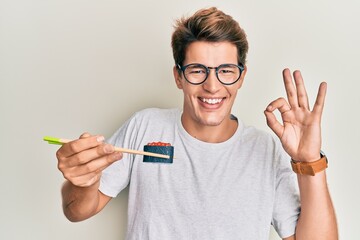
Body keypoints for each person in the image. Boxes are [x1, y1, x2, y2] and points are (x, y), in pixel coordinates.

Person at [56, 7, 338, 240]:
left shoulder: (266, 150)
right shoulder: (145, 126)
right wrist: (82, 181)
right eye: (197, 70)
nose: (212, 86)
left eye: (226, 71)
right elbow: (77, 211)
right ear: (178, 76)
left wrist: (310, 161)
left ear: (241, 77)